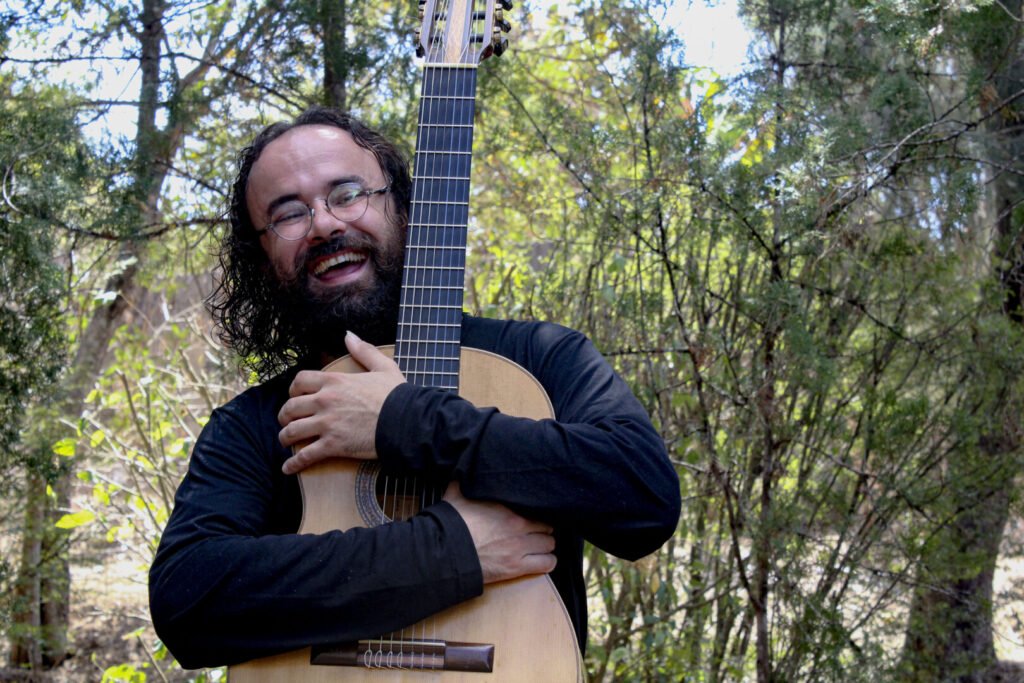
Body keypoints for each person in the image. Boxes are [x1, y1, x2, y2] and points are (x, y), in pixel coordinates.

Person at [148, 106, 681, 669]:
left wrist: (404, 420)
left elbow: (643, 497)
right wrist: (451, 552)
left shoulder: (540, 360)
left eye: (349, 193)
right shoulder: (256, 424)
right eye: (288, 214)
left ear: (403, 208)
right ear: (261, 259)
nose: (325, 224)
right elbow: (189, 602)